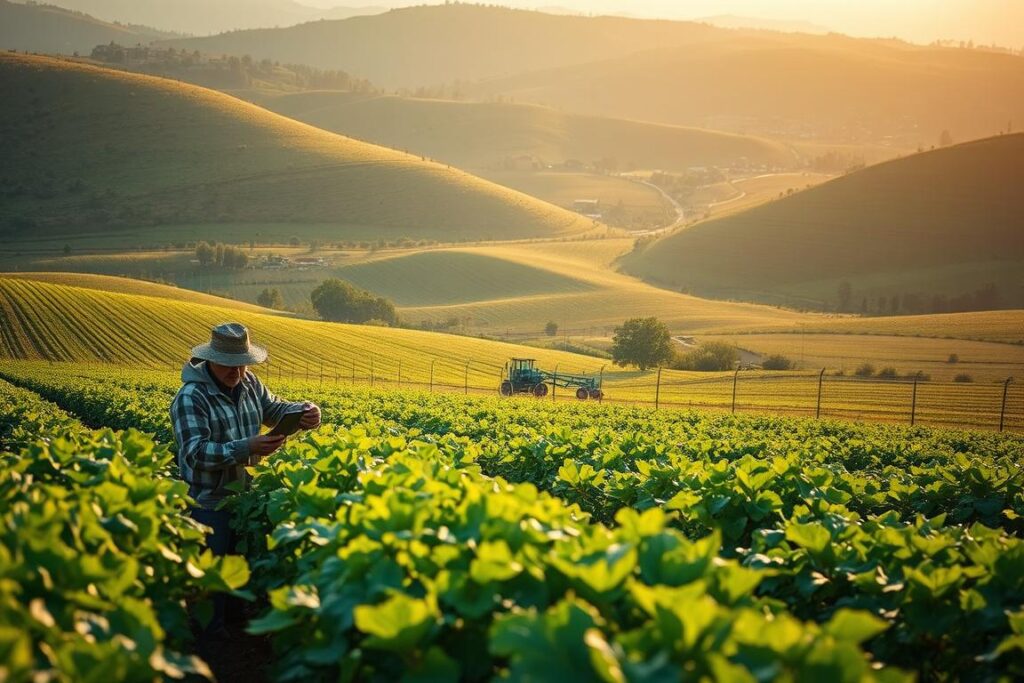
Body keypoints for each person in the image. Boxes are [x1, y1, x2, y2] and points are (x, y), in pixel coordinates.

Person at [170, 322, 320, 638]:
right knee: (211, 576)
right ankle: (209, 645)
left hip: (244, 497)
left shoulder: (249, 383)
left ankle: (234, 635)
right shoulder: (191, 397)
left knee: (238, 573)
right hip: (207, 500)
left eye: (242, 364)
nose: (237, 372)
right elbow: (195, 453)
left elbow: (275, 409)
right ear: (210, 359)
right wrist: (246, 447)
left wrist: (304, 412)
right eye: (229, 365)